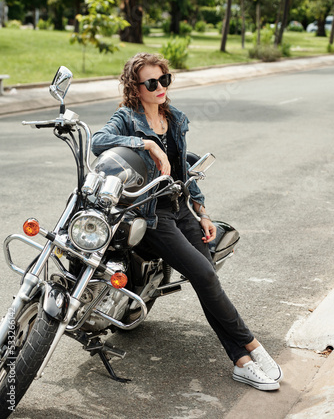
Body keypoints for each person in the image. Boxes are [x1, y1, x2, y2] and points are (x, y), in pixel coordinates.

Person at [91, 52, 283, 391]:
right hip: (153, 215)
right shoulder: (126, 118)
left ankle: (241, 360)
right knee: (205, 273)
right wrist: (146, 143)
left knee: (207, 282)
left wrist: (202, 211)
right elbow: (98, 142)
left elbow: (184, 172)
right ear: (135, 88)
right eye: (152, 82)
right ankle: (249, 348)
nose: (161, 87)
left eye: (165, 79)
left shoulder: (175, 118)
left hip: (181, 208)